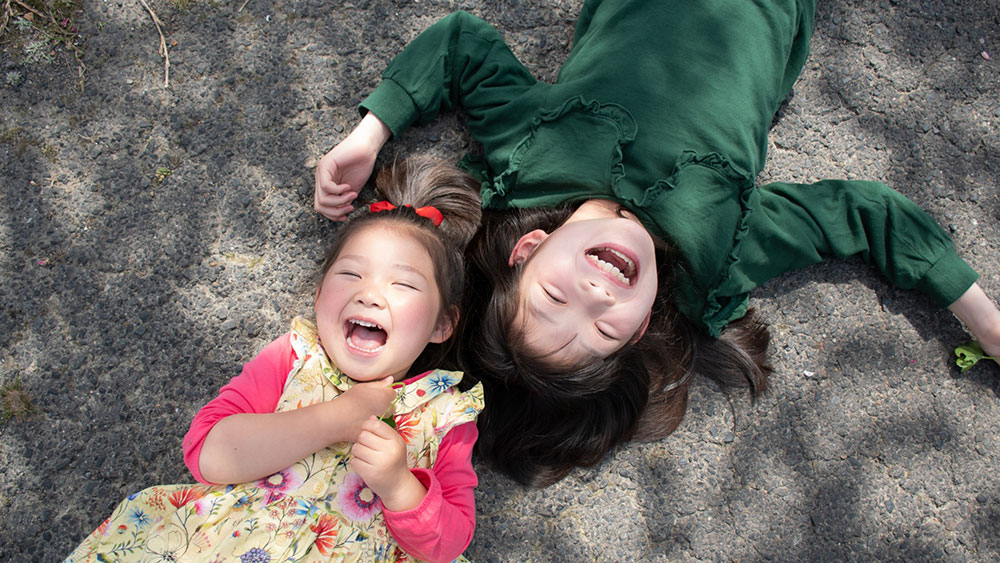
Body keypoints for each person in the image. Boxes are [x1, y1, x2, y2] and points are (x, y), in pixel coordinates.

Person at [314, 0, 1000, 486]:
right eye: (606, 326)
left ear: (527, 250)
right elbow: (868, 213)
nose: (596, 292)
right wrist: (988, 324)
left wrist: (369, 134)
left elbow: (460, 43)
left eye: (555, 296)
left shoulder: (528, 153)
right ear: (642, 325)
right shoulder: (720, 255)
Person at [67, 157, 485, 562]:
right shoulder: (294, 357)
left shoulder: (447, 415)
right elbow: (207, 454)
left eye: (403, 284)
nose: (369, 294)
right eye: (351, 274)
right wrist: (335, 419)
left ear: (442, 324)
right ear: (318, 296)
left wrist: (399, 487)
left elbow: (449, 544)